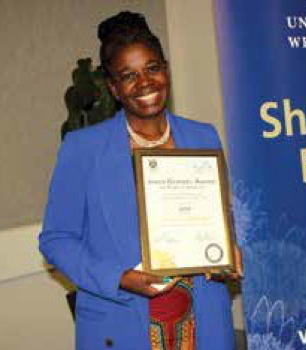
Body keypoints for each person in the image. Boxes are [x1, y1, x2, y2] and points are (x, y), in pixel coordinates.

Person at [39, 11, 241, 350]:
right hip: (122, 323)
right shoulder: (82, 149)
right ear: (114, 88)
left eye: (152, 68)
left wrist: (230, 250)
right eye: (128, 75)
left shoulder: (203, 136)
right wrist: (119, 278)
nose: (145, 83)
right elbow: (56, 239)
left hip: (202, 321)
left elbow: (221, 215)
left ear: (166, 69)